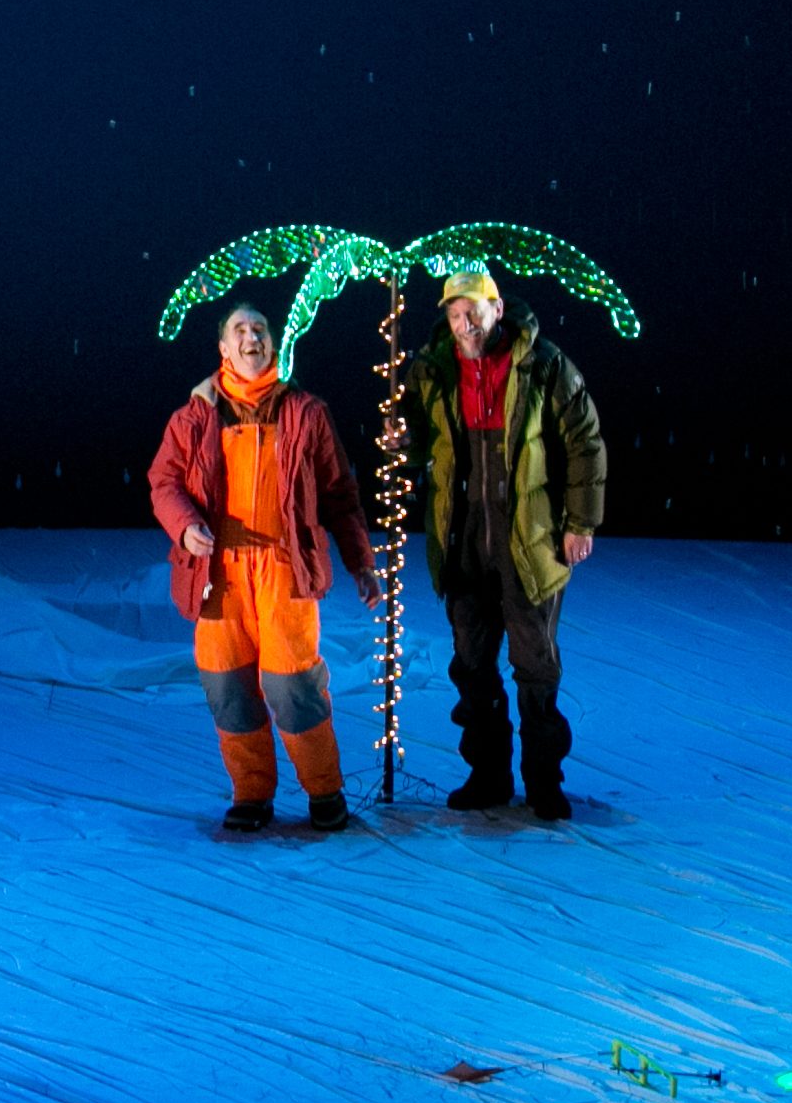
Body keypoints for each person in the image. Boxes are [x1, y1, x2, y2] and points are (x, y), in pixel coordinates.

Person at [146, 304, 377, 832]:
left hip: (284, 569)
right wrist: (185, 526)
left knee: (293, 686)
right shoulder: (195, 417)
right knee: (227, 687)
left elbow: (339, 495)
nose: (252, 337)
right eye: (240, 330)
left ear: (273, 343)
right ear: (223, 349)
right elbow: (164, 483)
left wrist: (361, 561)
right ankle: (251, 794)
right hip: (218, 573)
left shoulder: (305, 412)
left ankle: (324, 791)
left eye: (260, 329)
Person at [414, 266, 608, 820]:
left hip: (530, 536)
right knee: (472, 663)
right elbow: (414, 437)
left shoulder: (543, 364)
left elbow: (585, 442)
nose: (465, 323)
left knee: (534, 663)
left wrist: (581, 523)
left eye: (473, 310)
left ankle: (544, 780)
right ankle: (488, 776)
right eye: (455, 314)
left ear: (497, 309)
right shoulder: (433, 370)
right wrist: (398, 441)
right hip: (463, 537)